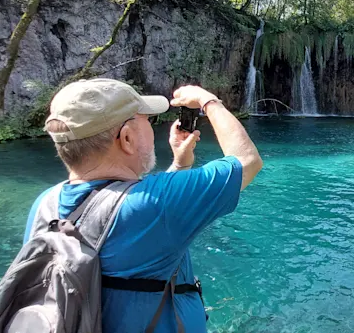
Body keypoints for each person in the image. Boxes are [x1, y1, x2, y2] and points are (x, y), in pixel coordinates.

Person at [23, 78, 262, 332]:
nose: (152, 126)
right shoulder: (158, 204)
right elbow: (247, 161)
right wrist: (209, 101)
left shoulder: (45, 204)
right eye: (147, 120)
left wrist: (180, 167)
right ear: (126, 138)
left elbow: (122, 210)